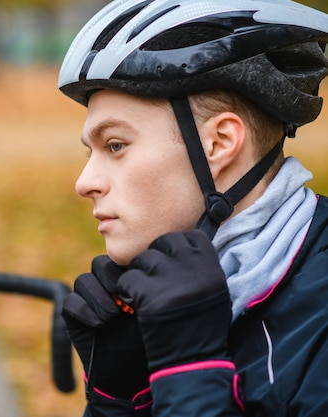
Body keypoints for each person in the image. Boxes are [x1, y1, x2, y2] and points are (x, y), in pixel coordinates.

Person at [58, 1, 328, 416]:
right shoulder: (171, 299)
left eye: (116, 145)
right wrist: (118, 402)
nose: (84, 183)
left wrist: (190, 370)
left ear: (219, 144)